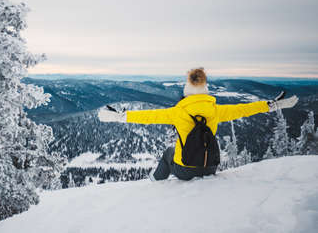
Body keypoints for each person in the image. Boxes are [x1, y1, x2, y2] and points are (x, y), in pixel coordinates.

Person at [98, 68, 299, 181]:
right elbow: (244, 109)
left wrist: (120, 116)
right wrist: (271, 105)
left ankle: (155, 182)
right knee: (175, 151)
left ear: (187, 91)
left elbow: (149, 116)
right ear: (205, 91)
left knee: (170, 152)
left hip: (186, 170)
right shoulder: (216, 110)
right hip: (211, 167)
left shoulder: (178, 112)